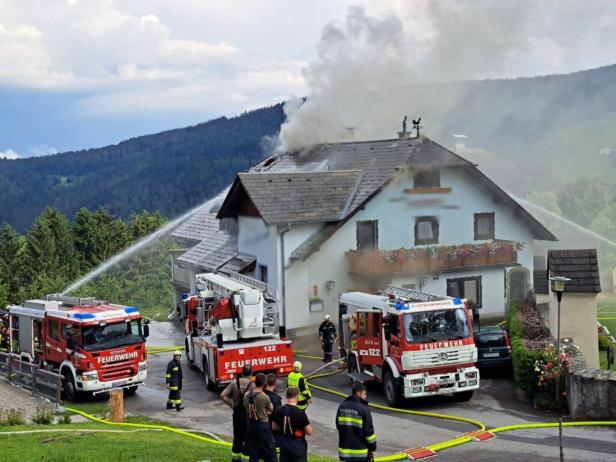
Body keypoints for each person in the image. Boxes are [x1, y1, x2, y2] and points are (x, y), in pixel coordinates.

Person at [220, 365, 255, 462]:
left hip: (236, 415)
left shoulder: (234, 383)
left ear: (242, 372)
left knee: (237, 438)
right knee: (247, 439)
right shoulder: (253, 385)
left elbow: (223, 395)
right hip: (247, 416)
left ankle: (235, 459)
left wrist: (232, 405)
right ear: (252, 372)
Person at [336, 383, 377, 462]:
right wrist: (373, 447)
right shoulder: (364, 409)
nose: (365, 396)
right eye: (364, 393)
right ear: (358, 393)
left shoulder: (341, 407)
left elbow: (339, 426)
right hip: (361, 454)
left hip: (345, 453)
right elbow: (369, 432)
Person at [272, 387, 313, 462]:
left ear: (286, 396)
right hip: (298, 447)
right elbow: (309, 432)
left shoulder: (279, 410)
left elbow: (274, 427)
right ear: (297, 396)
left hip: (284, 445)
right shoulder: (300, 413)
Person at [244, 373, 277, 462]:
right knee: (270, 449)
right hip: (262, 426)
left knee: (253, 452)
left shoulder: (247, 394)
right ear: (264, 383)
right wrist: (266, 412)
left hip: (250, 426)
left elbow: (246, 407)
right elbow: (271, 409)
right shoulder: (264, 397)